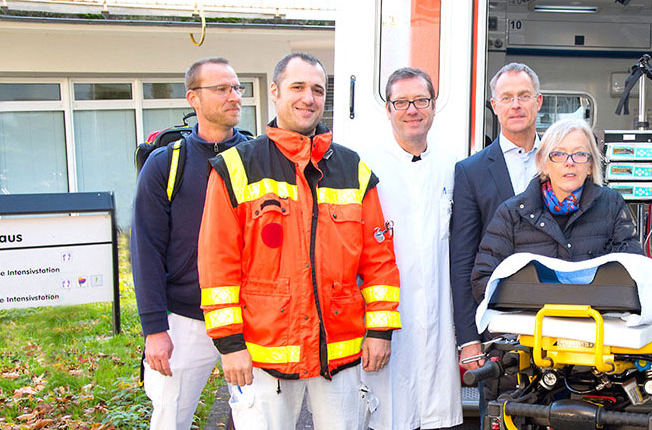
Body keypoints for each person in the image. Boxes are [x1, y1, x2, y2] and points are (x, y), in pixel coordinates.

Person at [196, 52, 401, 429]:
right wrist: (230, 345)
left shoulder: (353, 169)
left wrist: (380, 331)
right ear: (275, 92)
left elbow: (379, 260)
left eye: (318, 90)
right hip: (262, 355)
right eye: (298, 87)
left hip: (339, 353)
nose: (309, 97)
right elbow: (217, 265)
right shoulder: (236, 167)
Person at [131, 57, 250, 430]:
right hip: (185, 318)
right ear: (193, 98)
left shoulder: (257, 158)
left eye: (236, 88)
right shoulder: (165, 164)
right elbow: (145, 249)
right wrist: (154, 329)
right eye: (221, 89)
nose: (233, 97)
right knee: (170, 417)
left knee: (256, 418)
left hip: (248, 317)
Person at [358, 67, 463, 430]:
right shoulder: (363, 165)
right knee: (385, 416)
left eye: (421, 101)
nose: (412, 110)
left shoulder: (454, 165)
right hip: (385, 320)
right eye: (401, 102)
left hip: (438, 315)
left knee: (434, 417)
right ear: (387, 109)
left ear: (434, 107)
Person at [470, 118, 643, 300]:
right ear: (543, 163)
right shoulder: (512, 213)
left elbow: (635, 270)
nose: (570, 162)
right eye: (559, 154)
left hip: (595, 325)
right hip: (532, 327)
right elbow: (483, 280)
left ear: (591, 166)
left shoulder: (612, 205)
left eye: (580, 154)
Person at [451, 63, 544, 371]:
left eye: (523, 96)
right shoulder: (471, 171)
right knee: (499, 413)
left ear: (538, 101)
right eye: (506, 97)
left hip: (562, 321)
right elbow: (464, 258)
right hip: (498, 325)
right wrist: (468, 338)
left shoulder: (562, 161)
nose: (515, 105)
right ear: (494, 105)